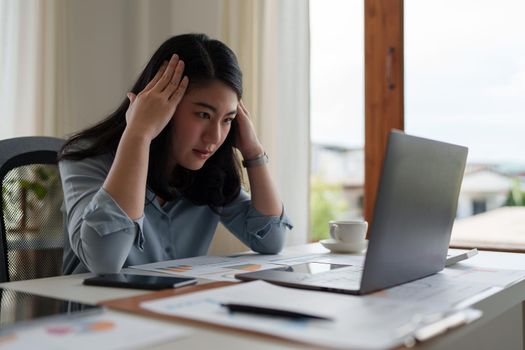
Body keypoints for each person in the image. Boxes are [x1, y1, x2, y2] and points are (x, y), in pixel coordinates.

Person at [58, 33, 293, 274]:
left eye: (228, 120)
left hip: (172, 308)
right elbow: (104, 262)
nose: (214, 137)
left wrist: (253, 151)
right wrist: (138, 134)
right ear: (160, 103)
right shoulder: (85, 157)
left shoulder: (208, 172)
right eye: (203, 115)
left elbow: (271, 240)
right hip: (97, 309)